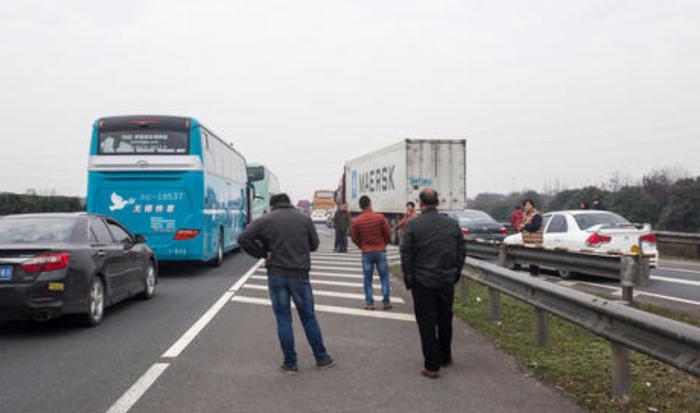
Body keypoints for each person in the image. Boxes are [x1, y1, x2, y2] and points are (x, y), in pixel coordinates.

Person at [239, 193, 334, 374]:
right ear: (289, 203)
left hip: (276, 274)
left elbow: (243, 238)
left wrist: (262, 253)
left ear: (272, 204)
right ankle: (322, 358)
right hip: (299, 274)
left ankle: (290, 363)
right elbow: (314, 245)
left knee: (283, 319)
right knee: (308, 317)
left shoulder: (265, 220)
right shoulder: (304, 219)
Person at [400, 188, 466, 379]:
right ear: (437, 202)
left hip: (423, 282)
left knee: (427, 323)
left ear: (420, 203)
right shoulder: (452, 225)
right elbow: (461, 252)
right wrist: (455, 274)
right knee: (445, 320)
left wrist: (410, 279)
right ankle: (445, 356)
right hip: (446, 280)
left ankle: (432, 366)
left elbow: (407, 255)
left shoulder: (414, 226)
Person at [350, 195, 393, 311]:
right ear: (370, 204)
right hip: (380, 251)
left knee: (367, 279)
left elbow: (353, 237)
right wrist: (384, 244)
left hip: (367, 253)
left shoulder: (357, 221)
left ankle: (369, 303)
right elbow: (388, 233)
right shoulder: (380, 218)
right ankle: (386, 302)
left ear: (360, 207)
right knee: (384, 277)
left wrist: (362, 246)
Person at [518, 199, 544, 276]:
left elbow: (535, 227)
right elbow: (524, 227)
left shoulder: (537, 215)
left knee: (534, 261)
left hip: (535, 242)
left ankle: (535, 275)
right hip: (527, 242)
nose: (527, 207)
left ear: (533, 206)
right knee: (531, 260)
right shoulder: (525, 215)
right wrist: (521, 228)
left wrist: (524, 226)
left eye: (529, 205)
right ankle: (532, 275)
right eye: (525, 205)